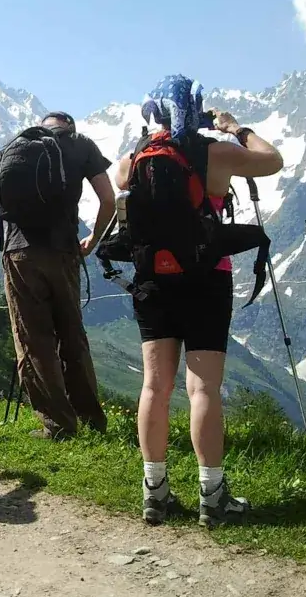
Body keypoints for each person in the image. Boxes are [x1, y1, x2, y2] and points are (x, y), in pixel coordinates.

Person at [113, 75, 283, 528]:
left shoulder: (133, 161)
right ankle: (212, 495)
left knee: (155, 386)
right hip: (207, 278)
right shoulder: (217, 154)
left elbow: (120, 193)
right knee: (203, 388)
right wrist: (236, 128)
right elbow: (273, 160)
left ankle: (155, 492)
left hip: (153, 281)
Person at [0, 111, 115, 440]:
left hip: (19, 253)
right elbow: (108, 199)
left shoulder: (19, 144)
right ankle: (91, 419)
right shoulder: (81, 145)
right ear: (70, 127)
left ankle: (58, 426)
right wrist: (94, 239)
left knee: (34, 340)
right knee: (72, 336)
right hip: (63, 252)